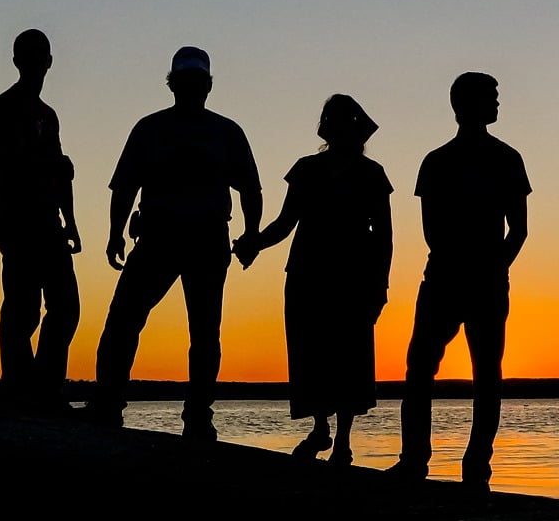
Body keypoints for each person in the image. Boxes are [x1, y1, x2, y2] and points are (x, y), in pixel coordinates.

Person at [85, 47, 262, 440]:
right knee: (125, 322)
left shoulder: (224, 132)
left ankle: (197, 415)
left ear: (206, 86)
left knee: (201, 332)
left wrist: (252, 233)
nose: (191, 88)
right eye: (186, 82)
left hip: (205, 240)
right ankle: (109, 404)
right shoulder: (150, 129)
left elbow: (250, 186)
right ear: (174, 84)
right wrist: (115, 231)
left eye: (196, 82)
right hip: (158, 239)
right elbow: (125, 185)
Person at [386, 72, 529, 490]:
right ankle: (415, 460)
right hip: (446, 278)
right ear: (466, 104)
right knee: (421, 367)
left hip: (478, 278)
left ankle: (475, 466)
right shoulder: (437, 161)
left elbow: (518, 229)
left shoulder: (507, 158)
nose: (498, 104)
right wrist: (483, 266)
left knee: (485, 372)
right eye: (492, 97)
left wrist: (496, 267)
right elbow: (433, 230)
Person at [235, 95, 393, 467]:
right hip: (307, 273)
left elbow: (384, 237)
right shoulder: (306, 169)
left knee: (350, 358)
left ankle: (342, 441)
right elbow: (285, 223)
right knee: (311, 353)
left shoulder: (372, 175)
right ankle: (321, 426)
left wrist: (380, 285)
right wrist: (254, 241)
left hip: (353, 278)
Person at [0, 28, 80, 412]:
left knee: (65, 306)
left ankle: (44, 388)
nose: (36, 64)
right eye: (28, 56)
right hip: (18, 219)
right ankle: (18, 388)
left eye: (40, 56)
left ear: (49, 62)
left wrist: (71, 220)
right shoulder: (6, 106)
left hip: (49, 222)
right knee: (22, 308)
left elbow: (63, 173)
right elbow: (12, 162)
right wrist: (56, 165)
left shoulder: (49, 115)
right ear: (17, 62)